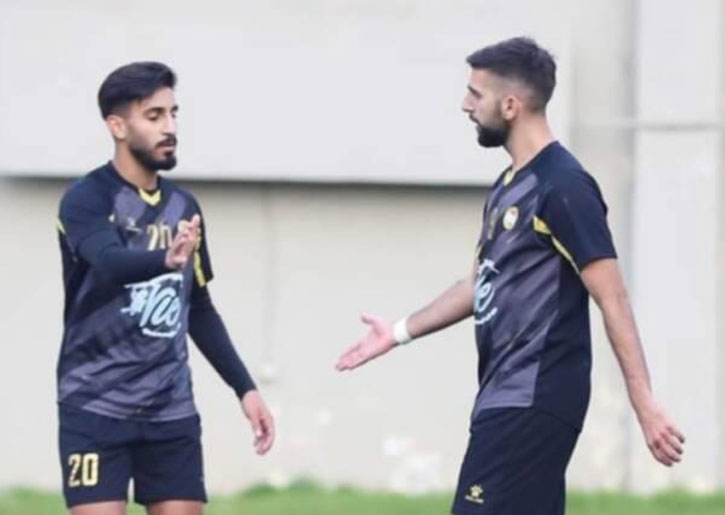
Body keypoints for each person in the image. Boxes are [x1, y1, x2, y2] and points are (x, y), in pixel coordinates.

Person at [336, 37, 685, 514]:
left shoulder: (562, 186)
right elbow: (478, 284)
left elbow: (613, 298)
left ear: (511, 105)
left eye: (475, 94)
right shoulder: (508, 187)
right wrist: (397, 333)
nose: (465, 105)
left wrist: (644, 405)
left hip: (533, 399)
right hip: (505, 397)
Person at [56, 61, 274, 515]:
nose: (170, 127)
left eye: (173, 113)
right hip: (94, 406)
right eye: (154, 116)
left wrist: (245, 388)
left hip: (171, 410)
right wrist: (166, 260)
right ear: (117, 126)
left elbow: (199, 308)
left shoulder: (184, 206)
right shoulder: (85, 199)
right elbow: (110, 262)